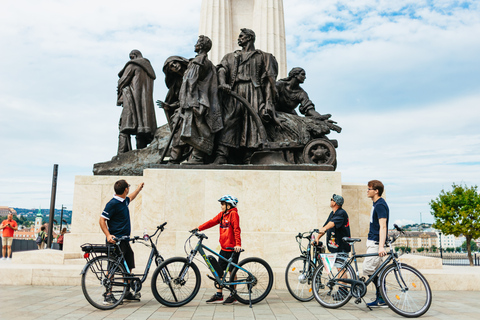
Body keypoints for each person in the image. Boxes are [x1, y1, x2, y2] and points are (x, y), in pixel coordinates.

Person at [215, 28, 278, 164]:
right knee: (229, 120)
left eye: (242, 36)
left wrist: (268, 102)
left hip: (254, 91)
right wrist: (222, 83)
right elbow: (221, 69)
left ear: (250, 37)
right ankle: (222, 155)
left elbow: (268, 82)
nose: (239, 39)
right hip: (234, 90)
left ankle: (250, 155)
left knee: (252, 122)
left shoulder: (263, 56)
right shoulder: (230, 56)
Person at [169, 35, 223, 164]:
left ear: (201, 46)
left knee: (197, 128)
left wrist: (188, 101)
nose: (195, 45)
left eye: (197, 43)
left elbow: (190, 81)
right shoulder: (206, 61)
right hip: (200, 100)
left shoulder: (198, 61)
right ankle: (194, 156)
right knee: (196, 127)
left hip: (195, 101)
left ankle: (197, 157)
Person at [99, 179, 144, 304]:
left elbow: (131, 197)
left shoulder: (123, 201)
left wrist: (139, 188)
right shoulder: (112, 204)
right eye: (128, 187)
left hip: (124, 240)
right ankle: (108, 295)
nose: (129, 189)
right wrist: (108, 236)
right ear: (125, 189)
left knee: (128, 265)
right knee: (112, 267)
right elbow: (102, 220)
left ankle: (126, 291)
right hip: (115, 241)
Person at [192, 195, 241, 304]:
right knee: (219, 272)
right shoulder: (222, 215)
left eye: (223, 204)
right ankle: (219, 294)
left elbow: (237, 230)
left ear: (229, 205)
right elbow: (212, 222)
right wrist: (199, 228)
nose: (221, 206)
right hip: (224, 249)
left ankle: (233, 295)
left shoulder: (233, 214)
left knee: (231, 272)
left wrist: (238, 244)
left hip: (233, 249)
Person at [117, 50, 157, 154]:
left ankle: (121, 154)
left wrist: (120, 88)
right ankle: (141, 153)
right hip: (145, 104)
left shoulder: (133, 65)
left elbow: (123, 80)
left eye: (131, 57)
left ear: (134, 56)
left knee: (124, 126)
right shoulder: (149, 70)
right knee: (142, 129)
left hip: (132, 100)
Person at [314, 194, 351, 300]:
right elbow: (326, 225)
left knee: (341, 268)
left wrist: (324, 229)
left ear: (335, 203)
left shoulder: (341, 213)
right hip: (335, 246)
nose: (330, 201)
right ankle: (342, 290)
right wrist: (318, 238)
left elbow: (331, 224)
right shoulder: (333, 213)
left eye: (331, 199)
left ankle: (343, 291)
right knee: (339, 268)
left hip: (342, 246)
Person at [364, 180, 390, 308]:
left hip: (375, 242)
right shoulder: (376, 204)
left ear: (376, 191)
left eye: (369, 189)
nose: (367, 191)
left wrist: (380, 246)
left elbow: (383, 226)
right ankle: (381, 298)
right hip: (374, 241)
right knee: (378, 272)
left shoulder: (380, 205)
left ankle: (381, 297)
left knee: (367, 269)